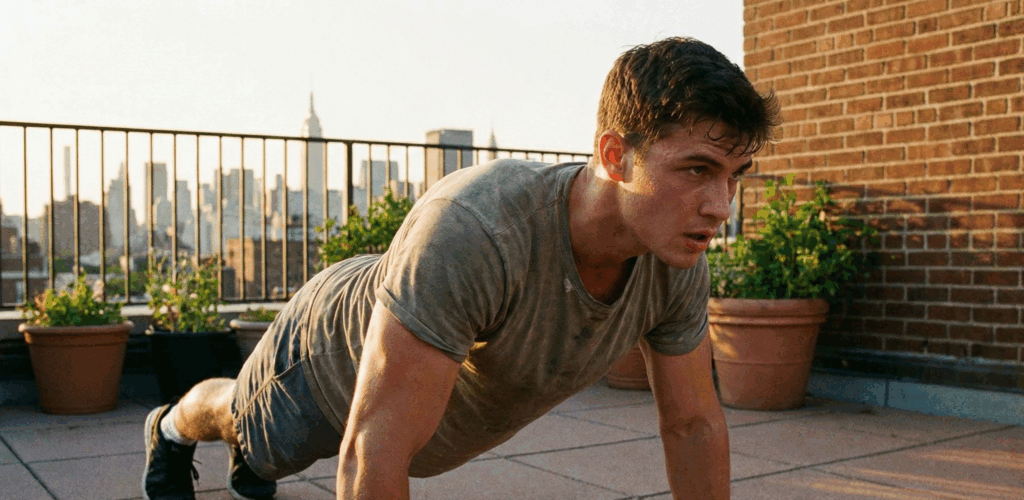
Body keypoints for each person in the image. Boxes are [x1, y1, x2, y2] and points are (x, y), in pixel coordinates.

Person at [141, 36, 779, 500]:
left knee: (266, 460)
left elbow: (693, 422)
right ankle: (168, 429)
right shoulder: (481, 229)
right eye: (696, 169)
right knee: (244, 427)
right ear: (615, 154)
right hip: (326, 361)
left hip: (408, 328)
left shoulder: (674, 254)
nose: (721, 206)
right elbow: (374, 452)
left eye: (733, 177)